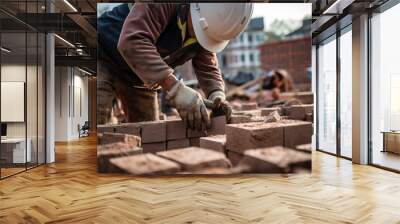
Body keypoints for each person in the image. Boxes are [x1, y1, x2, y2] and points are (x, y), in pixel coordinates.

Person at [98, 3, 253, 131]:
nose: (201, 39)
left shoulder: (206, 29)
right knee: (98, 126)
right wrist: (175, 89)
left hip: (140, 75)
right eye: (203, 34)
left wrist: (216, 94)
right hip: (103, 54)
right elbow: (132, 42)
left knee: (148, 133)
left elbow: (208, 64)